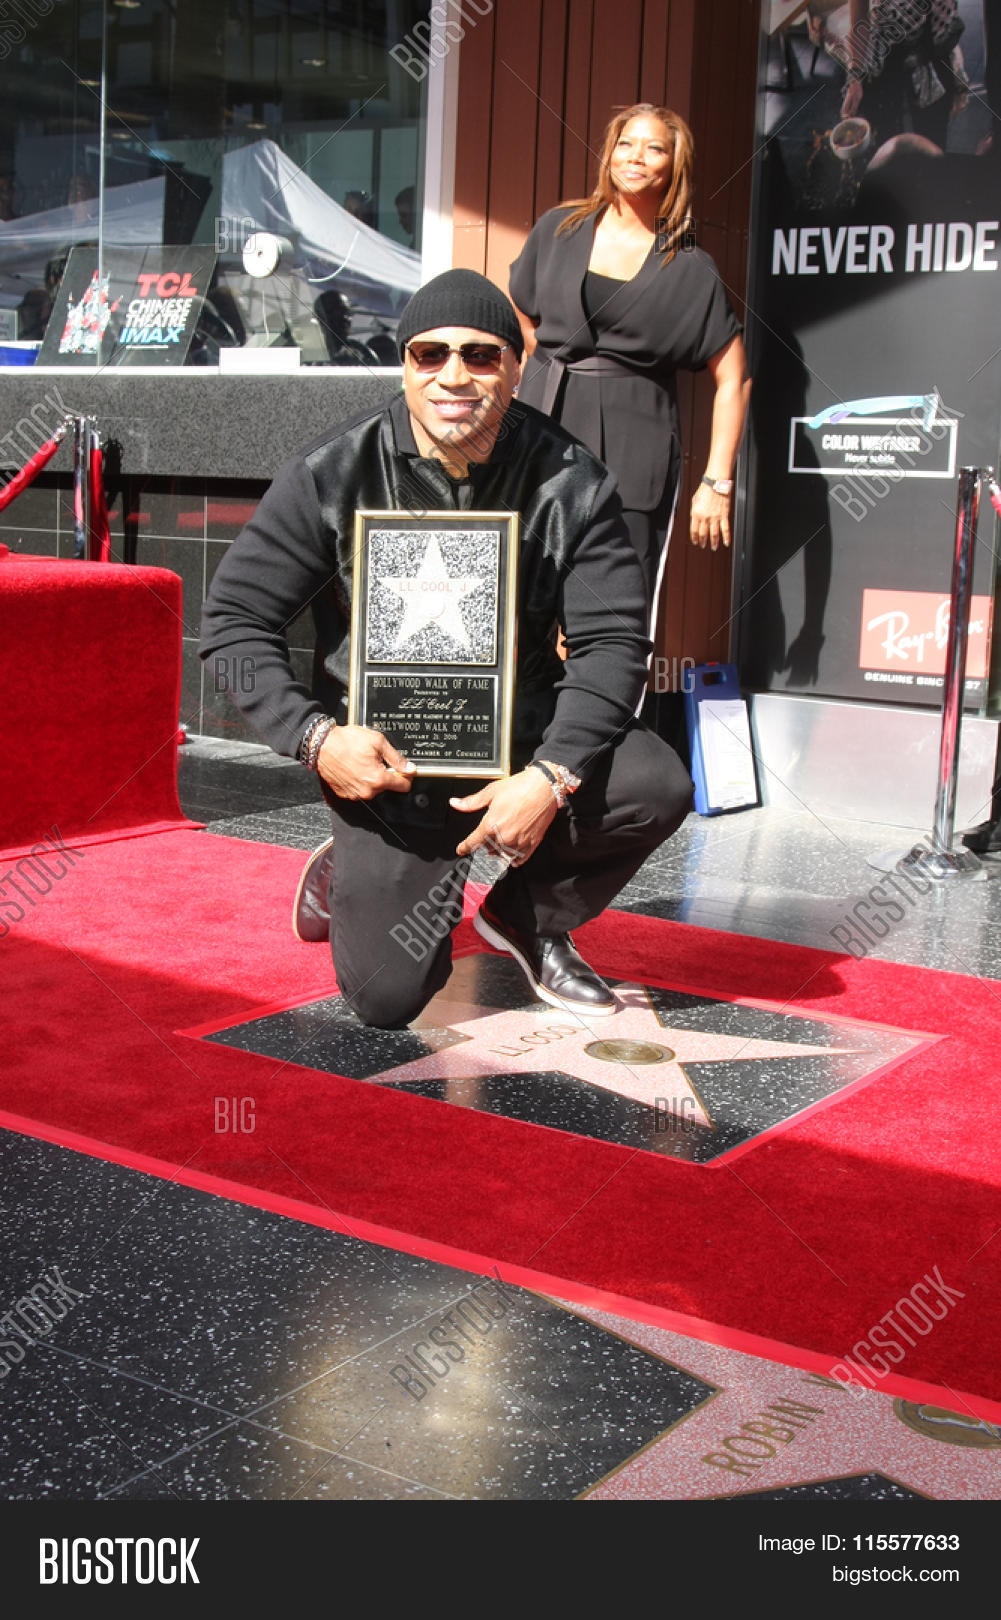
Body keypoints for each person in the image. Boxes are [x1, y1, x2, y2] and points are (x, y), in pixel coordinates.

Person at [200, 268, 694, 1029]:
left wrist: (552, 776)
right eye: (428, 355)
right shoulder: (333, 471)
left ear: (516, 367)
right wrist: (315, 741)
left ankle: (527, 916)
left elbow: (611, 642)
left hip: (521, 736)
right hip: (386, 765)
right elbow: (234, 620)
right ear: (403, 365)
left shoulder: (572, 483)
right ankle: (351, 870)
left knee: (651, 783)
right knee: (386, 1000)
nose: (452, 375)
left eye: (479, 355)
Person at [508, 103, 751, 613]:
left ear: (674, 164)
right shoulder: (558, 229)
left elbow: (734, 379)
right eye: (626, 143)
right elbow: (521, 307)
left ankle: (608, 695)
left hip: (635, 445)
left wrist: (717, 481)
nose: (636, 156)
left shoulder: (689, 266)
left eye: (654, 147)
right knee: (526, 587)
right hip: (542, 425)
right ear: (609, 154)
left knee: (617, 603)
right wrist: (544, 366)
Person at [825, 0, 969, 152]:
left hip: (933, 58)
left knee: (932, 147)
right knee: (886, 147)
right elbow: (859, 22)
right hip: (885, 63)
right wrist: (854, 78)